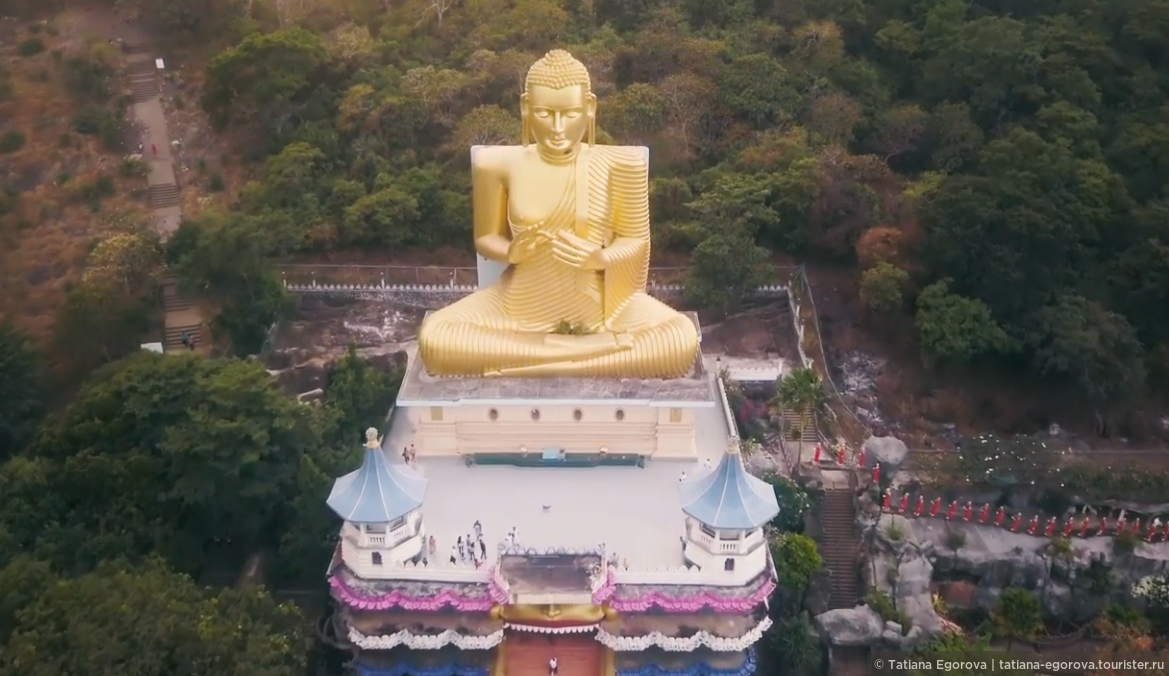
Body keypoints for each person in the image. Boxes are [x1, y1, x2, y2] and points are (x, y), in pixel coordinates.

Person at [415, 50, 699, 378]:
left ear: (590, 107)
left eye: (571, 113)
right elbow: (484, 237)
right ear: (525, 107)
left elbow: (634, 239)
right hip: (516, 307)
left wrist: (601, 258)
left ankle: (522, 360)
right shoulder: (495, 165)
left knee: (680, 340)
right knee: (436, 338)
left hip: (601, 311)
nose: (558, 128)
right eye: (545, 113)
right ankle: (593, 355)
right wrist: (511, 250)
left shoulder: (621, 165)